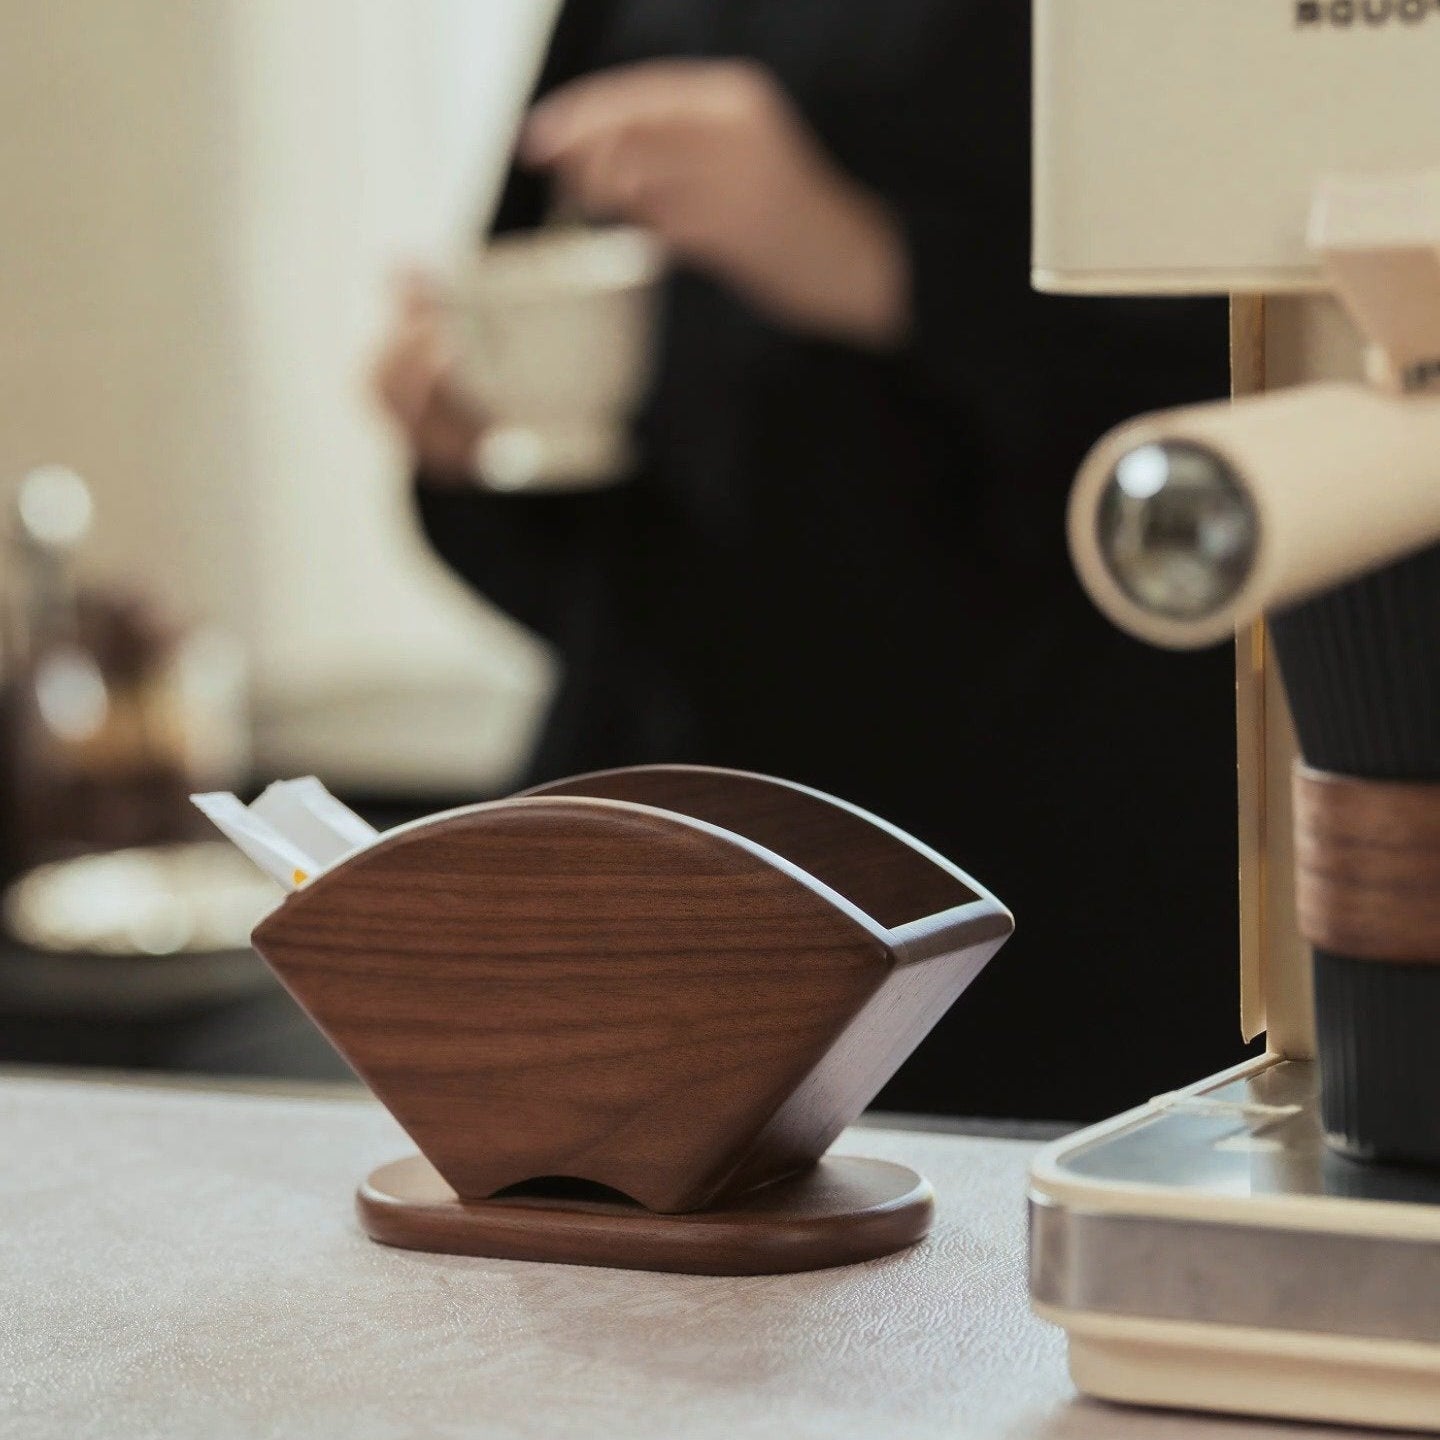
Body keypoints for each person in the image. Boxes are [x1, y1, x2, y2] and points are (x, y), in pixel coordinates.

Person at [374, 1, 1248, 1121]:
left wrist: (867, 259)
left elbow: (1256, 418)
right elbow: (589, 564)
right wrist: (466, 437)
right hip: (653, 880)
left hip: (1039, 903)